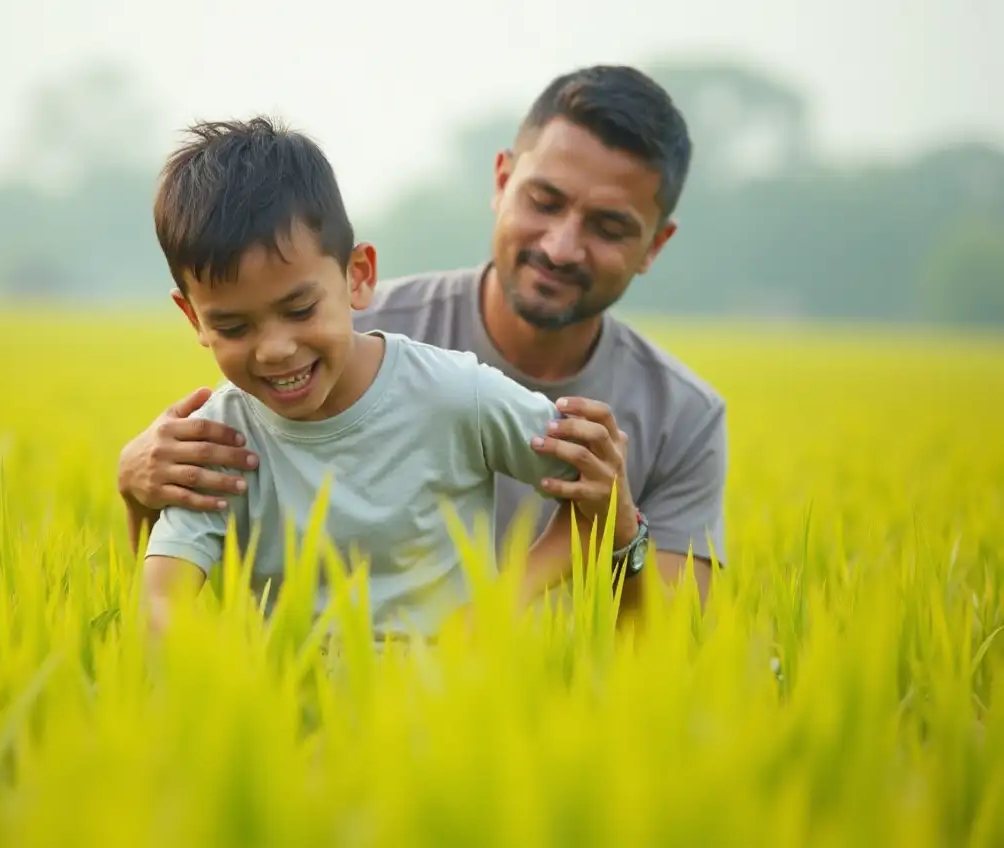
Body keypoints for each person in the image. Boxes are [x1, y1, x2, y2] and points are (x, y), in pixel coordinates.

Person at [120, 64, 726, 607]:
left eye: (609, 227)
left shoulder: (685, 417)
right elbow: (194, 583)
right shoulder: (345, 337)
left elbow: (670, 652)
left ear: (655, 245)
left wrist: (619, 534)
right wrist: (137, 487)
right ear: (501, 180)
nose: (560, 247)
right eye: (545, 201)